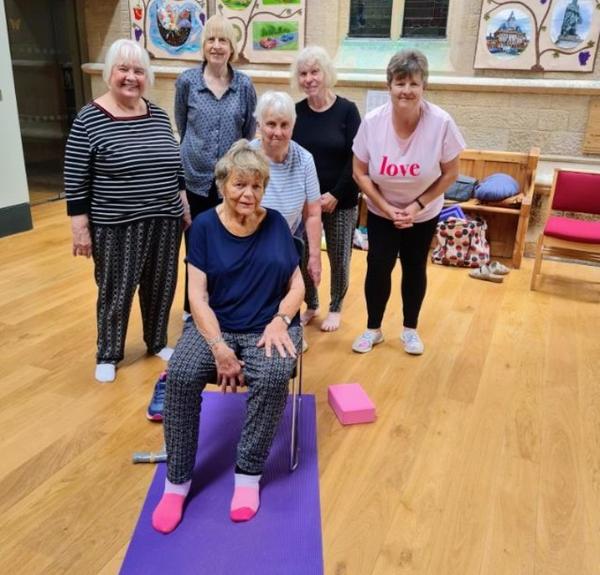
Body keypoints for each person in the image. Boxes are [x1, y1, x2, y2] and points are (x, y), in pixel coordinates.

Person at [151, 140, 304, 533]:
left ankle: (248, 475)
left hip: (265, 325)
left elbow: (297, 285)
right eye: (239, 185)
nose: (248, 194)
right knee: (182, 375)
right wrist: (219, 348)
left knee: (272, 377)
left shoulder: (276, 224)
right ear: (222, 185)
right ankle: (177, 481)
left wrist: (280, 320)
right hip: (214, 326)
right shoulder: (203, 227)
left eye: (256, 186)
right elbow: (196, 296)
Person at [64, 39, 188, 383]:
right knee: (116, 289)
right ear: (109, 73)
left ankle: (157, 341)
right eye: (124, 69)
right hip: (117, 224)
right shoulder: (89, 120)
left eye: (138, 70)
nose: (131, 77)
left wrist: (184, 203)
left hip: (165, 218)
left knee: (161, 284)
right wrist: (80, 227)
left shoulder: (157, 115)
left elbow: (174, 165)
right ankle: (108, 353)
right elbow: (76, 180)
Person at [351, 49, 465, 355]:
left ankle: (410, 330)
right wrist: (386, 207)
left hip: (423, 212)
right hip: (381, 209)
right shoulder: (373, 123)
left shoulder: (441, 123)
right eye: (400, 82)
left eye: (414, 83)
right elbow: (359, 172)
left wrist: (416, 206)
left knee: (415, 268)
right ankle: (373, 329)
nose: (407, 90)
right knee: (378, 267)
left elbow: (451, 172)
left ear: (424, 86)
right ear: (389, 85)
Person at [174, 14, 257, 318]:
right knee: (195, 243)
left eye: (223, 40)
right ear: (203, 45)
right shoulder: (187, 82)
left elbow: (248, 132)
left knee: (228, 241)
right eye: (211, 39)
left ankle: (222, 303)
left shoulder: (244, 85)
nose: (217, 46)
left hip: (230, 182)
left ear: (232, 47)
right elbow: (182, 127)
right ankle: (191, 305)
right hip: (194, 178)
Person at [291, 46, 361, 332]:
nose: (309, 79)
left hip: (339, 200)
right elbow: (291, 155)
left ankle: (335, 307)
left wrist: (335, 194)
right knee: (305, 254)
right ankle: (312, 303)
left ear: (325, 73)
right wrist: (308, 199)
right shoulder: (296, 112)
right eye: (304, 73)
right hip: (306, 202)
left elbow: (357, 158)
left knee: (339, 255)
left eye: (314, 71)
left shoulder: (347, 110)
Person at [250, 90, 322, 312]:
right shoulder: (245, 155)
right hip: (248, 240)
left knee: (285, 294)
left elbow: (313, 213)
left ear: (293, 125)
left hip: (286, 239)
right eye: (271, 124)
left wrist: (315, 256)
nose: (277, 132)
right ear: (259, 124)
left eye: (285, 125)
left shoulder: (304, 159)